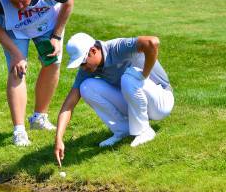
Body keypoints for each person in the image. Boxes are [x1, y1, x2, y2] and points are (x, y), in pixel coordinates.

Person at [0, 0, 74, 146]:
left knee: (52, 63)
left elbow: (68, 2)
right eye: (14, 2)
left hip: (46, 20)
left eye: (23, 1)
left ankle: (39, 118)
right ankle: (19, 132)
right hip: (13, 27)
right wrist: (16, 53)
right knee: (17, 69)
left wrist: (56, 35)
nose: (20, 7)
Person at [54, 33, 174, 163]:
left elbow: (152, 42)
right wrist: (59, 138)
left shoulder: (116, 47)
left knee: (128, 78)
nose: (83, 68)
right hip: (136, 103)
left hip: (161, 102)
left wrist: (143, 75)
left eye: (82, 63)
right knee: (86, 87)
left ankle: (144, 131)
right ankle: (123, 130)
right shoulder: (88, 69)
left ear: (93, 51)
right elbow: (69, 105)